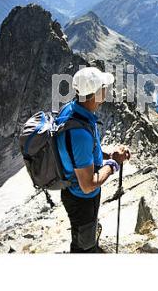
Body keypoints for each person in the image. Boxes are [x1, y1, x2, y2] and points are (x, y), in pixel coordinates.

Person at [56, 66, 131, 253]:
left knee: (84, 237)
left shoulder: (72, 110)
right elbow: (88, 185)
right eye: (104, 88)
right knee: (84, 246)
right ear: (95, 94)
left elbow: (82, 152)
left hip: (74, 192)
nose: (106, 91)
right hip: (82, 199)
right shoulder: (80, 134)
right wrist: (114, 163)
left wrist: (108, 155)